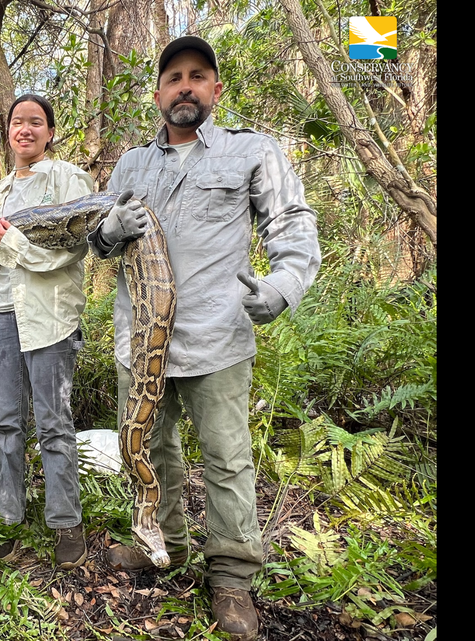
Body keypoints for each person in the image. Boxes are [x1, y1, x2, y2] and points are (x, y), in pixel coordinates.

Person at [88, 36, 321, 640]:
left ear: (215, 88)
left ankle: (233, 575)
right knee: (150, 451)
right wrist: (108, 229)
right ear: (159, 93)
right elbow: (96, 240)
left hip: (216, 335)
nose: (185, 86)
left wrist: (284, 285)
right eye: (174, 77)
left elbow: (290, 222)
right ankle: (161, 543)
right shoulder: (132, 164)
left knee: (225, 456)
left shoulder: (252, 151)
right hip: (140, 340)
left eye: (197, 76)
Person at [0, 94, 94, 569]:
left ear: (49, 132)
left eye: (36, 122)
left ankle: (65, 522)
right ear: (8, 131)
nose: (26, 129)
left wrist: (9, 239)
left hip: (50, 317)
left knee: (54, 423)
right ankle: (6, 517)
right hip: (0, 316)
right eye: (18, 122)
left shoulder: (69, 180)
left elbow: (70, 251)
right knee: (5, 422)